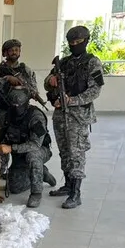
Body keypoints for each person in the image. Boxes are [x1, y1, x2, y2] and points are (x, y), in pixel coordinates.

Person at [44, 25, 105, 209]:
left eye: (78, 42)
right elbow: (47, 83)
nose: (74, 45)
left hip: (78, 117)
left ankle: (76, 193)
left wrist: (72, 100)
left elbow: (95, 90)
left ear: (86, 41)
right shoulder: (63, 63)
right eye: (71, 42)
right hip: (61, 116)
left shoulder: (92, 62)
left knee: (76, 154)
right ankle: (68, 184)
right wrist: (51, 81)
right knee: (64, 151)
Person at [0, 88, 57, 208]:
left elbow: (35, 144)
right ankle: (41, 173)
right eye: (13, 105)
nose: (15, 108)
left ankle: (36, 193)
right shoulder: (7, 116)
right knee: (14, 188)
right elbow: (3, 142)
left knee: (33, 156)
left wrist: (11, 148)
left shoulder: (36, 116)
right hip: (19, 154)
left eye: (18, 105)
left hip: (40, 151)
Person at [0, 39, 39, 124]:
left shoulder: (26, 70)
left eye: (16, 50)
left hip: (23, 110)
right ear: (5, 53)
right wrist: (7, 79)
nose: (14, 52)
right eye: (11, 50)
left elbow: (34, 88)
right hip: (4, 109)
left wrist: (32, 92)